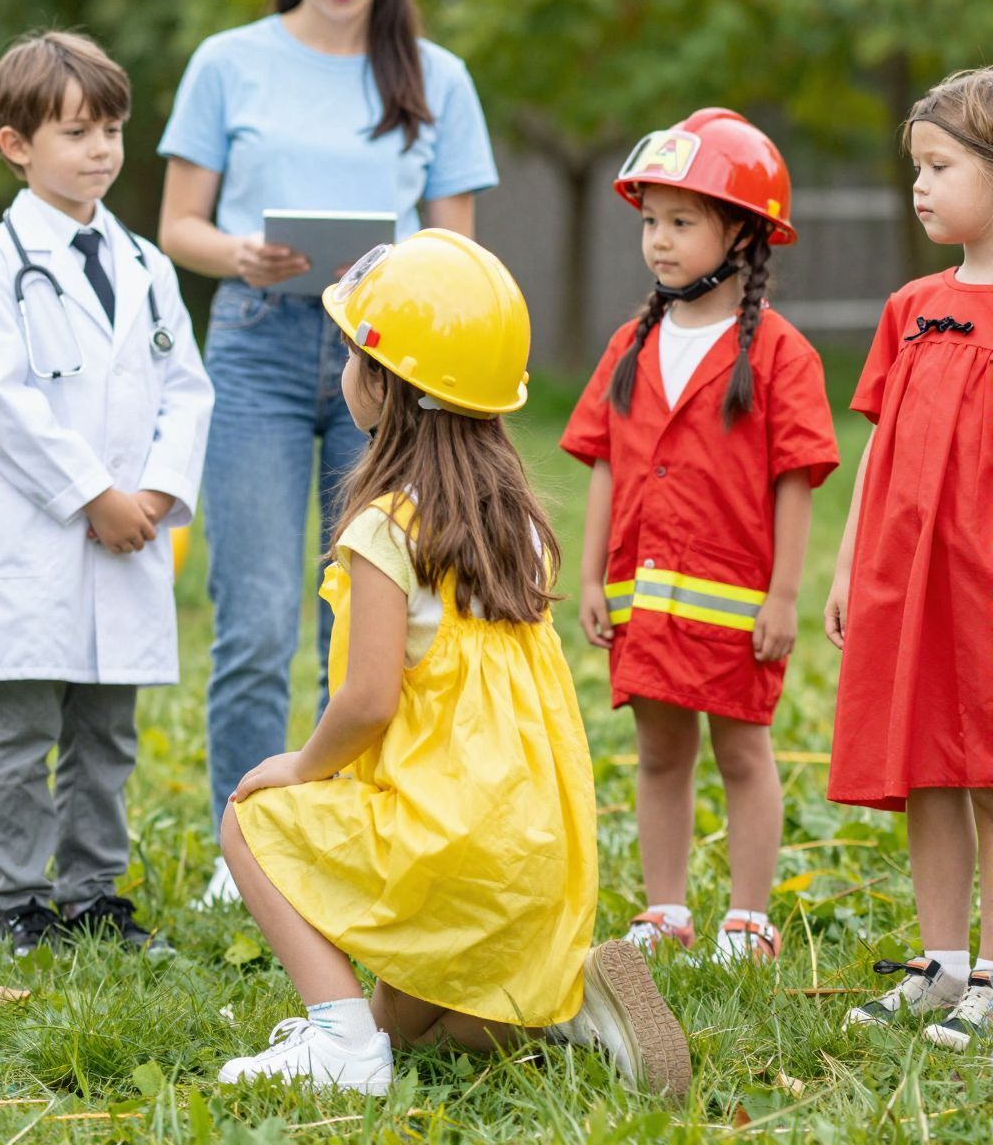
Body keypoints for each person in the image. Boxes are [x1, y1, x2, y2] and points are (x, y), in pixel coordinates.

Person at [218, 231, 690, 1100]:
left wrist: (296, 767)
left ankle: (337, 1043)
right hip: (533, 856)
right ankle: (570, 1009)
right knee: (413, 1026)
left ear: (386, 385)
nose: (345, 372)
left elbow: (364, 703)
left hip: (445, 839)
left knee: (248, 819)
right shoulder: (515, 525)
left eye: (355, 355)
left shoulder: (385, 530)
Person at [156, 0, 500, 906]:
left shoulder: (436, 79)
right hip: (256, 343)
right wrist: (241, 256)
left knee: (360, 617)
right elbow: (176, 225)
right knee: (255, 613)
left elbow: (459, 259)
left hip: (386, 368)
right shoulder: (228, 60)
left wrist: (394, 277)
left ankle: (344, 833)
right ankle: (246, 848)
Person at [0, 32, 213, 956]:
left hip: (131, 533)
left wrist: (158, 491)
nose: (101, 150)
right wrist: (95, 493)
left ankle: (92, 892)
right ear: (17, 145)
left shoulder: (146, 266)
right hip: (41, 535)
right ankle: (18, 900)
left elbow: (188, 389)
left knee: (108, 734)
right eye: (77, 131)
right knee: (21, 733)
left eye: (112, 130)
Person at [562, 110, 836, 963]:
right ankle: (665, 910)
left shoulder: (782, 353)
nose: (659, 241)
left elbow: (797, 475)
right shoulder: (631, 345)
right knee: (658, 754)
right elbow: (604, 463)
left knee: (743, 752)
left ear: (744, 234)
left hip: (737, 600)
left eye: (683, 222)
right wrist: (588, 579)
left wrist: (785, 595)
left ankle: (748, 919)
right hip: (643, 597)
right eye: (651, 220)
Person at [825, 67, 993, 1050]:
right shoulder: (911, 306)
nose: (917, 187)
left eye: (939, 166)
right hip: (914, 581)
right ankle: (940, 963)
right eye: (914, 169)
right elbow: (880, 448)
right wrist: (848, 567)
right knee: (928, 765)